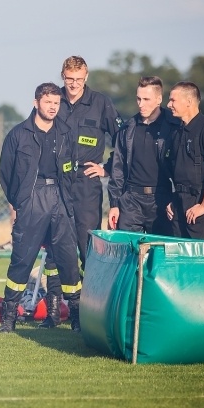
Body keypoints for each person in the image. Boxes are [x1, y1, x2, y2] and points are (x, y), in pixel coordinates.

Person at [39, 55, 121, 329]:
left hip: (87, 185)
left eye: (79, 79)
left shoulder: (100, 103)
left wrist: (106, 168)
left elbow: (123, 140)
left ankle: (86, 313)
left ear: (86, 77)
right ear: (62, 76)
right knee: (55, 250)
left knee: (89, 251)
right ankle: (53, 313)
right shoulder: (54, 101)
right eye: (69, 79)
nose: (73, 84)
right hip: (57, 184)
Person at [0, 82, 81, 333]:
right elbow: (5, 174)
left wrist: (66, 199)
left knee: (67, 259)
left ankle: (75, 316)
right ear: (36, 103)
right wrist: (21, 202)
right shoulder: (18, 134)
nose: (53, 107)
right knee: (22, 259)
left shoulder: (66, 132)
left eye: (56, 103)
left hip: (60, 198)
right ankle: (9, 318)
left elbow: (72, 169)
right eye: (48, 102)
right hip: (32, 198)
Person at [107, 76, 178, 235]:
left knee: (160, 247)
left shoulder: (174, 127)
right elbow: (118, 169)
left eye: (146, 99)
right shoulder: (127, 129)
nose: (141, 104)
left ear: (159, 99)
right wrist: (114, 204)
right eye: (138, 99)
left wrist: (176, 199)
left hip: (162, 199)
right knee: (129, 247)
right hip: (131, 200)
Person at [166, 81, 204, 239]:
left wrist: (203, 206)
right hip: (179, 206)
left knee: (202, 252)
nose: (169, 104)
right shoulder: (177, 132)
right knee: (178, 251)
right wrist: (174, 201)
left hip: (201, 205)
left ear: (189, 101)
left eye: (173, 100)